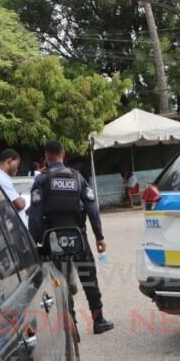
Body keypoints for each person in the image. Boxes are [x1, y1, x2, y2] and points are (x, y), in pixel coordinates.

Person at [29, 140, 114, 334]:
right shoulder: (77, 178)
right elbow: (92, 209)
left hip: (54, 241)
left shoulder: (41, 180)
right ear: (63, 154)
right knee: (89, 278)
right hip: (79, 237)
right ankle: (98, 320)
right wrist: (99, 237)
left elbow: (34, 215)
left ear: (46, 158)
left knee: (62, 281)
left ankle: (71, 325)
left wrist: (33, 241)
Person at [0, 148, 28, 227]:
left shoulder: (0, 177)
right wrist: (23, 200)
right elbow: (19, 204)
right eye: (17, 165)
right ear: (10, 161)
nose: (17, 170)